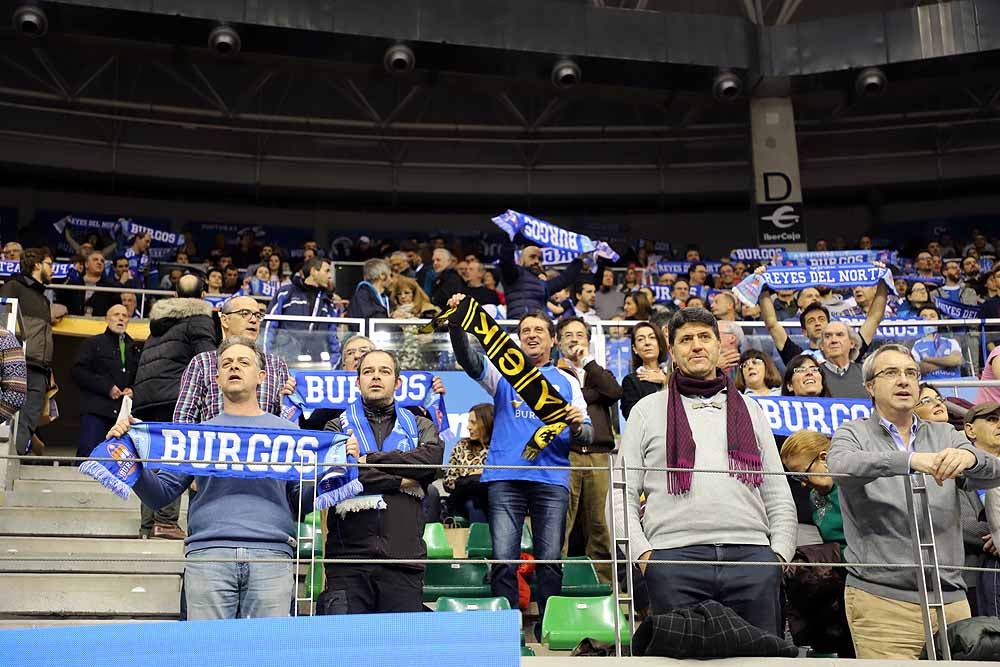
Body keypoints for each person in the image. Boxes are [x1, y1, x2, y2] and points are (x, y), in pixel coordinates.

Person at [108, 338, 325, 620]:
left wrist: (328, 474)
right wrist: (132, 463)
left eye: (243, 362)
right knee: (208, 655)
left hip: (271, 554)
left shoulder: (289, 433)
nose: (234, 366)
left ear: (261, 377)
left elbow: (300, 501)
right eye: (227, 363)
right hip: (208, 555)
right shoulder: (196, 437)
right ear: (217, 377)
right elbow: (160, 495)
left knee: (269, 657)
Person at [614, 307, 796, 636]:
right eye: (685, 339)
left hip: (752, 558)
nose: (696, 346)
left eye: (704, 337)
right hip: (673, 559)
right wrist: (645, 558)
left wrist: (778, 556)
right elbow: (620, 492)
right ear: (672, 350)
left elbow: (777, 490)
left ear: (717, 346)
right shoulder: (645, 410)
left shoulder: (751, 409)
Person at [827, 344, 1000, 660]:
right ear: (870, 386)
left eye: (911, 373)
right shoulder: (851, 433)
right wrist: (909, 461)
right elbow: (841, 467)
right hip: (881, 602)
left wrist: (970, 456)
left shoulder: (946, 433)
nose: (904, 380)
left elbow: (994, 471)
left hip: (952, 600)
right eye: (891, 373)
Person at [448, 297, 591, 631]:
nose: (531, 335)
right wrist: (456, 326)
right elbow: (470, 361)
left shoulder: (568, 381)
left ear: (552, 339)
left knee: (551, 560)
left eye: (539, 330)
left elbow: (587, 435)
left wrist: (574, 425)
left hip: (551, 477)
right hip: (505, 476)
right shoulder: (502, 374)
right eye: (525, 330)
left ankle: (551, 626)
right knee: (503, 560)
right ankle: (506, 631)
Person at [320, 349, 444, 614]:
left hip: (404, 559)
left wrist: (369, 459)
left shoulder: (420, 424)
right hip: (347, 561)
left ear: (397, 382)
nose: (376, 377)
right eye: (368, 371)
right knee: (347, 651)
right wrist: (402, 481)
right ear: (357, 381)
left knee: (400, 652)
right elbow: (344, 475)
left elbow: (431, 461)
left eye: (384, 371)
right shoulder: (335, 427)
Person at [131, 274, 219, 539]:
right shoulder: (200, 319)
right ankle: (167, 522)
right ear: (203, 297)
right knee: (173, 456)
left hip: (146, 399)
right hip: (174, 397)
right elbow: (208, 361)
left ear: (175, 296)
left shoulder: (160, 323)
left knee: (154, 460)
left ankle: (149, 525)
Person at [556, 316, 620, 584]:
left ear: (588, 341)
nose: (574, 339)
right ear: (558, 342)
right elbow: (563, 404)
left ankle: (605, 588)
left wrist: (588, 363)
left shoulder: (598, 372)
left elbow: (613, 392)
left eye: (580, 335)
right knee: (561, 525)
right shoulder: (552, 374)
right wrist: (590, 394)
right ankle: (554, 585)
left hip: (598, 455)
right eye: (568, 335)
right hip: (564, 453)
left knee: (600, 526)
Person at [174, 296, 292, 424]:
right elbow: (183, 419)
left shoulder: (277, 364)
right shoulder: (203, 362)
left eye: (258, 316)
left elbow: (288, 420)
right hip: (216, 442)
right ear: (225, 320)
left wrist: (286, 402)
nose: (253, 320)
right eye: (245, 313)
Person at [0, 248, 61, 455]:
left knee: (28, 421)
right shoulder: (14, 286)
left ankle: (14, 462)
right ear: (37, 265)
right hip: (15, 363)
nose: (53, 269)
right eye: (49, 264)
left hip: (39, 368)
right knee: (10, 419)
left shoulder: (43, 298)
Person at [70, 305, 141, 459]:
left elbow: (141, 377)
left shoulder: (134, 348)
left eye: (124, 315)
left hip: (123, 414)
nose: (121, 318)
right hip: (97, 410)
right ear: (107, 319)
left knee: (119, 459)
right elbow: (78, 372)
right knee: (89, 454)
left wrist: (133, 390)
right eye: (116, 314)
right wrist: (107, 387)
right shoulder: (92, 343)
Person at [264, 256, 341, 367]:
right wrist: (267, 361)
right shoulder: (286, 293)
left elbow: (333, 340)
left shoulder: (328, 303)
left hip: (316, 366)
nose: (330, 276)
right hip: (285, 363)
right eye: (327, 271)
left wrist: (331, 367)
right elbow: (268, 326)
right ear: (314, 271)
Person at [962, 402, 1000, 617]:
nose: (999, 425)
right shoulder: (958, 466)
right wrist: (997, 535)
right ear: (970, 430)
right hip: (974, 573)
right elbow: (962, 523)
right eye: (992, 419)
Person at [779, 430, 843, 549]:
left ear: (824, 458)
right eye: (797, 478)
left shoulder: (852, 488)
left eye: (804, 475)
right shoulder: (814, 496)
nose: (803, 484)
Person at [498, 242, 583, 319]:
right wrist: (509, 238)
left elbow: (565, 278)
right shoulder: (513, 275)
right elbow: (506, 261)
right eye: (532, 257)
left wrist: (580, 258)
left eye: (540, 259)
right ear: (521, 259)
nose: (537, 261)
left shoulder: (543, 284)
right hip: (517, 329)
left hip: (539, 328)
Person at [441, 403, 494, 524]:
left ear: (486, 423)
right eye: (469, 422)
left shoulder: (499, 448)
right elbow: (448, 481)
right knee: (474, 504)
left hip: (493, 498)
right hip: (464, 498)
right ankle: (480, 542)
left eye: (473, 422)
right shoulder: (462, 446)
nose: (468, 427)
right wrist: (472, 478)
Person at [620, 321, 668, 419]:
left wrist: (666, 381)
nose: (647, 343)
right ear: (635, 349)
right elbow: (631, 415)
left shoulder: (674, 375)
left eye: (652, 337)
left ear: (660, 344)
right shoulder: (631, 381)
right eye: (641, 339)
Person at [910, 306, 963, 380]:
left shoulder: (951, 342)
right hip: (928, 388)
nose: (928, 319)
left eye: (932, 316)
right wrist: (948, 363)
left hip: (954, 386)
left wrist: (928, 359)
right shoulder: (916, 345)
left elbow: (956, 360)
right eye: (924, 316)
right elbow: (919, 369)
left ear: (939, 320)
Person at [60, 251, 119, 317]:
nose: (99, 262)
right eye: (95, 260)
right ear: (86, 264)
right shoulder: (73, 283)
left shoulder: (110, 287)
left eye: (102, 261)